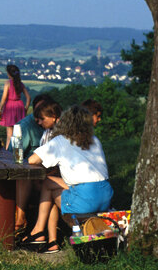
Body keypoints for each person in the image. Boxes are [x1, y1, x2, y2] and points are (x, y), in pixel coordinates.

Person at [21, 106, 113, 254]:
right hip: (105, 196)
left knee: (47, 185)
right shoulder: (95, 140)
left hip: (84, 202)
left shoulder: (61, 141)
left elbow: (32, 160)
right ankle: (50, 242)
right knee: (51, 185)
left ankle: (39, 233)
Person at [14, 94, 55, 231]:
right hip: (36, 173)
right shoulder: (25, 126)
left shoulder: (55, 131)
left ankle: (32, 227)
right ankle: (21, 219)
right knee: (24, 176)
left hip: (51, 174)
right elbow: (13, 153)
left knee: (31, 178)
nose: (40, 117)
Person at [0, 64, 31, 149]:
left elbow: (4, 98)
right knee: (18, 134)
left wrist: (0, 110)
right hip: (19, 107)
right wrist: (25, 109)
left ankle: (7, 154)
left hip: (9, 107)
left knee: (9, 134)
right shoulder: (20, 84)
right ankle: (18, 151)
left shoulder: (7, 83)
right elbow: (28, 97)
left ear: (9, 73)